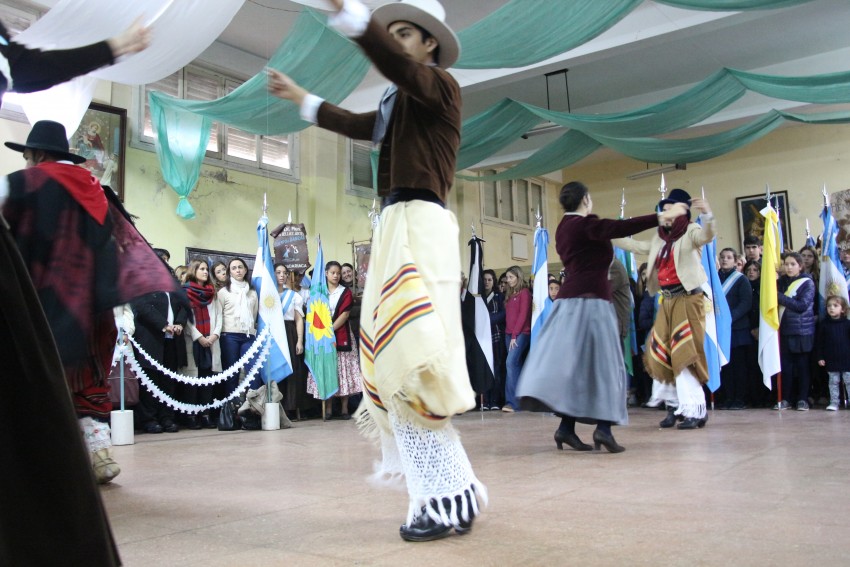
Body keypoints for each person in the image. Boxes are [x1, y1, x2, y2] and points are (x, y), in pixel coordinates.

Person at [269, 0, 484, 542]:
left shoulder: (439, 85)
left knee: (412, 362)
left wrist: (355, 19)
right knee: (396, 361)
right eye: (393, 34)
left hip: (420, 225)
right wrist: (305, 102)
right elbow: (361, 124)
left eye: (406, 33)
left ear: (430, 43)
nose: (398, 42)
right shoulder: (400, 100)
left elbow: (399, 68)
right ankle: (449, 495)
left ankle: (438, 500)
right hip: (397, 223)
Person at [0, 20, 154, 566]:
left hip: (50, 304)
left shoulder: (34, 185)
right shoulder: (98, 187)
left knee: (45, 386)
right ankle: (96, 455)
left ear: (35, 156)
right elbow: (126, 242)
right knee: (86, 384)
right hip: (96, 306)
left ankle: (64, 471)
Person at [517, 181, 687, 453]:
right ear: (585, 199)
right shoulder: (584, 225)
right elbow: (618, 228)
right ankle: (604, 430)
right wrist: (661, 217)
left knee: (577, 368)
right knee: (607, 367)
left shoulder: (563, 227)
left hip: (569, 305)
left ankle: (566, 428)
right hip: (591, 304)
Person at [614, 188, 715, 431]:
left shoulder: (691, 231)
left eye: (669, 208)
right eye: (664, 209)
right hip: (667, 300)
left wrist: (709, 215)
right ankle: (674, 406)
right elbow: (637, 246)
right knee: (661, 352)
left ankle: (695, 410)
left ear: (682, 211)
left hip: (688, 300)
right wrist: (607, 234)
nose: (665, 213)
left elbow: (707, 237)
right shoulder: (661, 237)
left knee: (685, 353)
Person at [307, 261, 362, 418]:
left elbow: (344, 315)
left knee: (343, 371)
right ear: (326, 273)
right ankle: (329, 408)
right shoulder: (319, 292)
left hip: (341, 334)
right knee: (328, 370)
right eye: (333, 273)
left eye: (338, 273)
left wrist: (329, 330)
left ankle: (344, 408)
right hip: (322, 338)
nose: (336, 275)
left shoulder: (345, 293)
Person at [131, 287, 190, 433]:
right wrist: (162, 324)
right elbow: (141, 306)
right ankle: (149, 419)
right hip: (151, 339)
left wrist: (179, 323)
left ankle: (167, 418)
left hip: (172, 340)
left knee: (168, 381)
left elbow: (184, 307)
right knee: (150, 381)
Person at [182, 259, 222, 429]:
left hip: (211, 340)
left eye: (206, 269)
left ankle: (205, 414)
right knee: (192, 380)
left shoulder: (213, 293)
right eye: (202, 269)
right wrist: (199, 336)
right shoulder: (185, 292)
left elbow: (220, 316)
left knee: (207, 379)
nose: (205, 272)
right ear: (193, 271)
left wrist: (214, 335)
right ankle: (191, 415)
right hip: (193, 340)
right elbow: (186, 319)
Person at [774, 252, 816, 411]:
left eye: (793, 264)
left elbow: (801, 306)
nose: (789, 267)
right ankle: (786, 398)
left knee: (802, 367)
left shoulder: (807, 283)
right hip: (784, 330)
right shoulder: (780, 282)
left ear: (800, 266)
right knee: (786, 367)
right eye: (786, 264)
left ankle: (803, 399)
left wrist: (778, 297)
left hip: (801, 331)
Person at [717, 248, 752, 410]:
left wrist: (729, 318)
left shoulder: (741, 279)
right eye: (722, 257)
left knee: (739, 366)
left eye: (729, 257)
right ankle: (728, 397)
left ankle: (740, 398)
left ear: (735, 260)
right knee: (726, 367)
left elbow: (746, 303)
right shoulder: (714, 278)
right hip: (720, 329)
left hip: (737, 329)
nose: (725, 260)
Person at [217, 258, 259, 393]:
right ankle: (231, 407)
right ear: (230, 272)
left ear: (246, 270)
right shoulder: (223, 292)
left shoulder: (252, 292)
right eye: (234, 268)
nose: (238, 270)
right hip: (229, 335)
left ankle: (251, 406)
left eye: (240, 267)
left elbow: (254, 314)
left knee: (253, 370)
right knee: (231, 373)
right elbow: (219, 314)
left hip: (248, 335)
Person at [502, 265, 531, 412]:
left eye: (511, 277)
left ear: (518, 277)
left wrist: (514, 335)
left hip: (520, 334)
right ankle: (519, 402)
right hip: (509, 333)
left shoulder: (524, 293)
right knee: (514, 366)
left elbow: (523, 315)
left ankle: (512, 402)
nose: (508, 280)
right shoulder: (510, 293)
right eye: (507, 277)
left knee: (510, 363)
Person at [816, 295, 850, 411]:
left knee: (849, 381)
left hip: (846, 359)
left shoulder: (847, 324)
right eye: (829, 306)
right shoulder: (824, 325)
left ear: (843, 309)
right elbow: (820, 343)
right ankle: (834, 402)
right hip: (831, 359)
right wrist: (820, 357)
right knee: (833, 382)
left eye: (835, 306)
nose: (832, 308)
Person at [482, 269, 506, 410]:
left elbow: (503, 314)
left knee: (496, 368)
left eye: (489, 279)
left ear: (494, 281)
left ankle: (495, 401)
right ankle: (485, 400)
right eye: (484, 279)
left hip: (496, 336)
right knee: (484, 368)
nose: (487, 282)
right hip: (482, 337)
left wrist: (488, 320)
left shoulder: (499, 297)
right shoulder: (477, 297)